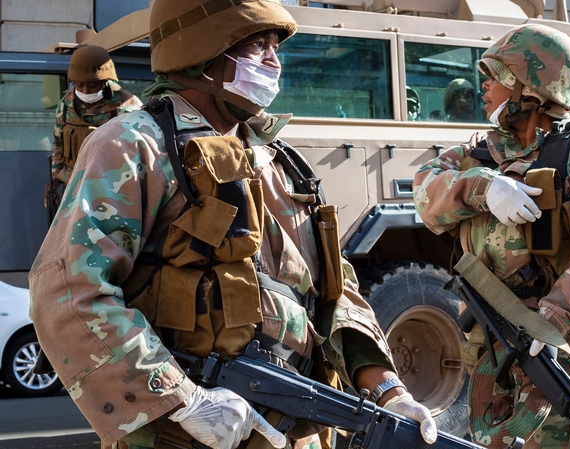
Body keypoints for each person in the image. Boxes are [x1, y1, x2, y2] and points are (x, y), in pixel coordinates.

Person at [29, 1, 436, 449]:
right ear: (204, 52)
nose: (273, 61)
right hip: (189, 433)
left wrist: (385, 390)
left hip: (294, 427)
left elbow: (330, 287)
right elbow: (68, 293)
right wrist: (184, 400)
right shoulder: (133, 145)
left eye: (275, 47)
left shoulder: (274, 157)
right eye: (257, 45)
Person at [412, 24, 570, 448]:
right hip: (499, 352)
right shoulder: (480, 153)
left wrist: (553, 319)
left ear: (534, 91)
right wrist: (482, 188)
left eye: (498, 75)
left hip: (569, 356)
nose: (483, 84)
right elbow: (424, 194)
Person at [49, 44, 142, 189]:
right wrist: (56, 177)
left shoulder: (127, 105)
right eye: (80, 85)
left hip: (110, 186)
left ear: (104, 82)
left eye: (92, 86)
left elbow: (141, 150)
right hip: (73, 183)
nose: (85, 91)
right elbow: (58, 143)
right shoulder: (66, 104)